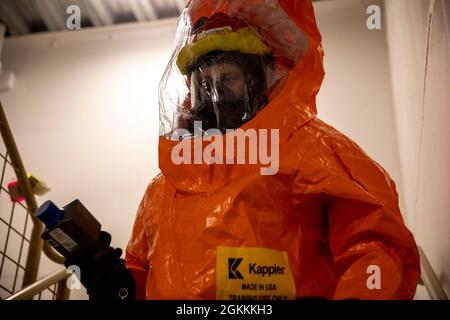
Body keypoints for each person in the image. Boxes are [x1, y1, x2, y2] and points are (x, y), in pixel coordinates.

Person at [69, 0, 420, 300]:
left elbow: (374, 244)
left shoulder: (308, 147)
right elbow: (144, 276)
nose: (215, 95)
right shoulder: (164, 187)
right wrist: (114, 282)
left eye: (229, 80)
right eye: (204, 84)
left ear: (258, 80)